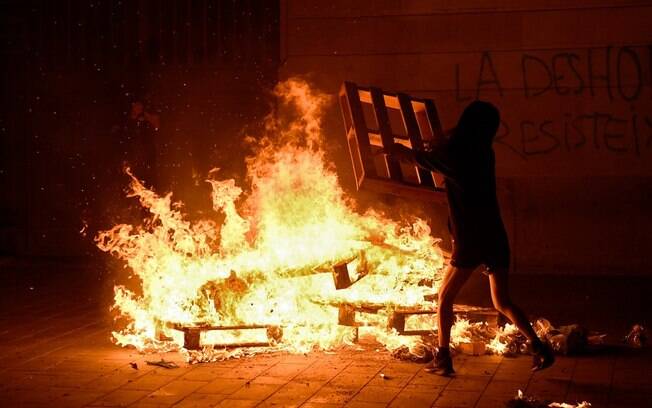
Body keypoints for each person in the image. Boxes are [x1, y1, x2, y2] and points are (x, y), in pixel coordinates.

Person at [387, 101, 554, 375]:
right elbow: (438, 157)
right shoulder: (484, 152)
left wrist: (399, 152)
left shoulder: (458, 154)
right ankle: (539, 347)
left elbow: (424, 160)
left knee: (444, 297)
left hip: (471, 237)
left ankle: (443, 357)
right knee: (502, 302)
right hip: (494, 235)